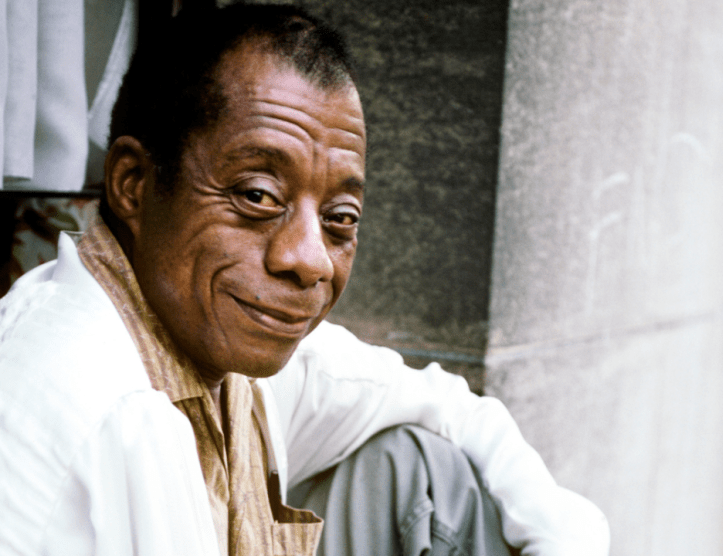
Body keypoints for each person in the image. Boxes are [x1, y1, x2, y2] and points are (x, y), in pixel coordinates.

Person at [0, 4, 609, 556]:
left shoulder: (232, 359)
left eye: (340, 219)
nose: (310, 259)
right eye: (257, 196)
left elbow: (450, 406)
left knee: (417, 467)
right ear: (134, 184)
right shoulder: (70, 407)